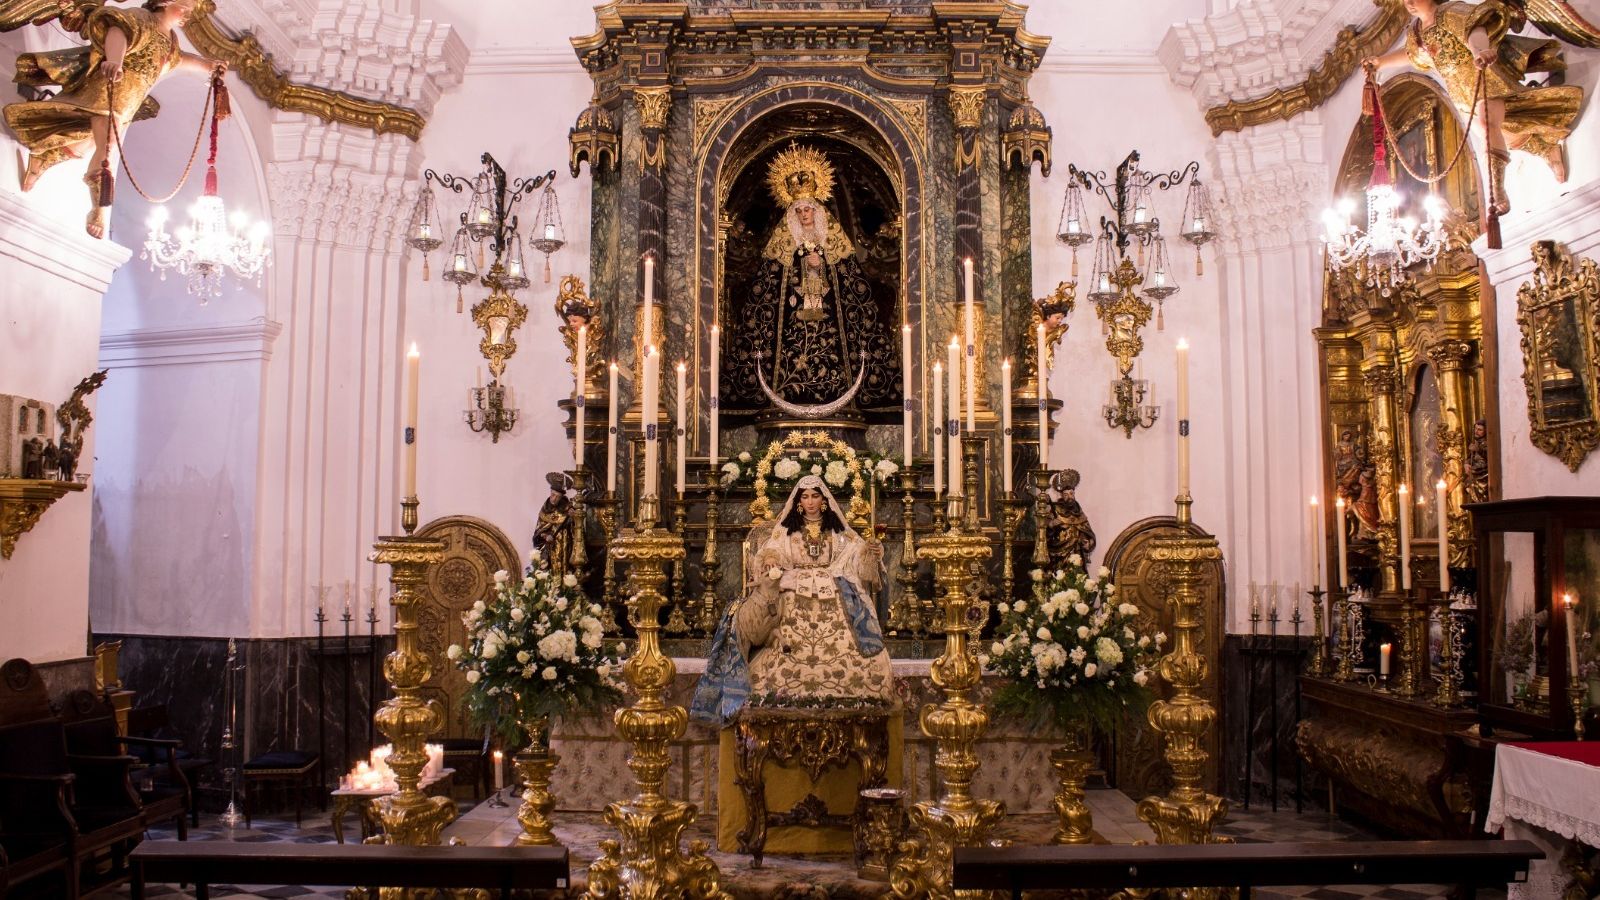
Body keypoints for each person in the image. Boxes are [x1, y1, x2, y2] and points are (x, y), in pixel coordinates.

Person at [2, 0, 229, 238]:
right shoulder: (144, 19)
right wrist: (115, 60)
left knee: (89, 142)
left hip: (128, 103)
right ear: (164, 2)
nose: (188, 15)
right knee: (107, 146)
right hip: (112, 90)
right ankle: (99, 209)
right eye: (185, 7)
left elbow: (179, 59)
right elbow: (118, 29)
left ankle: (46, 157)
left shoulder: (171, 41)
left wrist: (208, 65)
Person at [692, 475, 894, 723]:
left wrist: (870, 552)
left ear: (824, 500)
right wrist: (770, 560)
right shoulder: (787, 531)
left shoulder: (838, 532)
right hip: (794, 590)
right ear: (798, 502)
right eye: (805, 497)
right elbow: (772, 550)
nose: (810, 502)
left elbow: (856, 557)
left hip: (832, 590)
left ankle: (850, 690)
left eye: (815, 496)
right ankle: (777, 691)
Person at [1363, 0, 1583, 213]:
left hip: (1481, 77)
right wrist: (1380, 62)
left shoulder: (1448, 11)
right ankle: (1545, 148)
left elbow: (1473, 29)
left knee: (1488, 123)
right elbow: (1411, 54)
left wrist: (1480, 51)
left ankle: (1497, 190)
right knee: (1506, 135)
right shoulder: (1416, 32)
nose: (1409, 3)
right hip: (1461, 95)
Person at [724, 143, 896, 412]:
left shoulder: (833, 243)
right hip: (793, 320)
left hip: (828, 321)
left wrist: (823, 263)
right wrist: (799, 264)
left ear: (817, 210)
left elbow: (850, 286)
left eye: (808, 209)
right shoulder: (782, 245)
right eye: (799, 210)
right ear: (793, 214)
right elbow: (768, 289)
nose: (804, 215)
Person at [531, 472, 574, 576]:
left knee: (564, 570)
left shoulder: (567, 508)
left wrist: (573, 518)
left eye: (558, 497)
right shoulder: (545, 509)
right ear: (550, 493)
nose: (554, 499)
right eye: (553, 495)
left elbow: (574, 529)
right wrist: (545, 536)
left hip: (564, 545)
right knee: (547, 569)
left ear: (561, 497)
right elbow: (539, 531)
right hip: (549, 547)